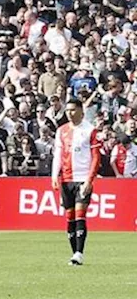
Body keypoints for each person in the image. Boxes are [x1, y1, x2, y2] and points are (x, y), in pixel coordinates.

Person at [51, 97, 101, 266]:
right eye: (67, 110)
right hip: (66, 179)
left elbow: (96, 157)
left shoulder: (90, 130)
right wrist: (54, 176)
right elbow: (58, 155)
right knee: (69, 217)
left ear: (81, 110)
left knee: (80, 214)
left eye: (73, 110)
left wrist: (89, 180)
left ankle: (79, 253)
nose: (70, 113)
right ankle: (74, 254)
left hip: (82, 179)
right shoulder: (61, 130)